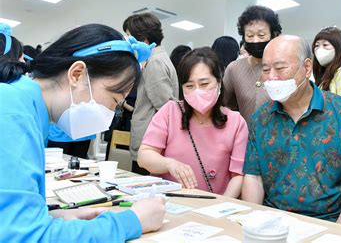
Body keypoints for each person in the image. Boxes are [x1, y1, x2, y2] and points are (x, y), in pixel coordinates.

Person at [0, 24, 166, 242]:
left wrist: (52, 216)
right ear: (77, 74)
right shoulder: (13, 111)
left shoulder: (24, 105)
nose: (109, 113)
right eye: (114, 100)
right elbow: (25, 237)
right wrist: (130, 221)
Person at [241, 35, 341, 225]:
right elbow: (254, 177)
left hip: (328, 223)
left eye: (280, 68)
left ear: (306, 68)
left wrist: (338, 233)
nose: (271, 77)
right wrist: (255, 224)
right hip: (273, 222)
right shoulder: (260, 118)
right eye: (265, 70)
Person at [137, 47, 248, 197]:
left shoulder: (236, 122)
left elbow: (238, 176)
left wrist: (221, 206)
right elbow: (144, 156)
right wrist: (170, 164)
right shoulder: (170, 112)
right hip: (170, 202)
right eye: (189, 86)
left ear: (219, 83)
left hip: (214, 206)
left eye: (204, 84)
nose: (197, 91)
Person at [123, 13, 179, 174]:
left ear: (143, 39)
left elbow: (165, 105)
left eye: (129, 36)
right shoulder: (155, 58)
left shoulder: (155, 62)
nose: (127, 41)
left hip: (149, 139)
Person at [223, 5, 282, 123]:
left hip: (277, 138)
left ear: (273, 35)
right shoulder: (234, 68)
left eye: (261, 35)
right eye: (249, 35)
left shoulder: (283, 68)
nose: (255, 40)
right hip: (243, 137)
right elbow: (225, 106)